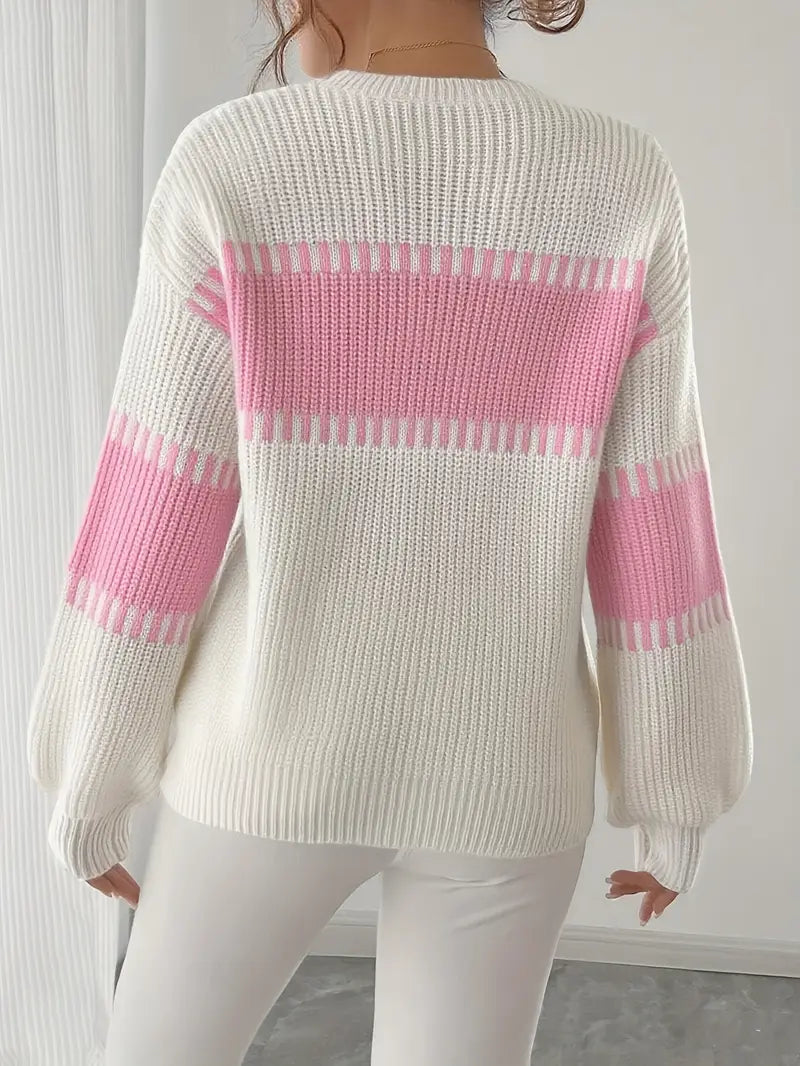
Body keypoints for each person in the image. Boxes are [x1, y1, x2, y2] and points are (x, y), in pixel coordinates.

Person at [27, 1, 753, 1063]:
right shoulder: (619, 178)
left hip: (267, 766)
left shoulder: (235, 161)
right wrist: (676, 793)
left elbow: (159, 503)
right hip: (511, 776)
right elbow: (654, 516)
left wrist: (91, 771)